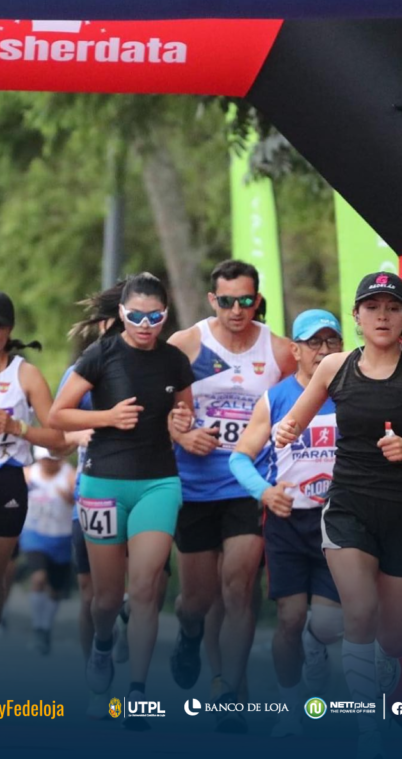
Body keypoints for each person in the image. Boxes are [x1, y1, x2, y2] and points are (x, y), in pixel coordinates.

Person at [274, 273, 402, 759]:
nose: (382, 316)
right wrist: (285, 429)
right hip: (350, 506)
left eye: (392, 307)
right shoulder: (335, 367)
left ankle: (385, 661)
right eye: (373, 307)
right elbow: (298, 417)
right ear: (357, 317)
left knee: (396, 636)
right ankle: (369, 731)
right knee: (360, 612)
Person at [49, 273, 194, 731]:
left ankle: (137, 692)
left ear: (165, 315)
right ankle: (104, 644)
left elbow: (184, 416)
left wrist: (183, 421)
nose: (146, 324)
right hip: (103, 483)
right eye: (137, 316)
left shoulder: (173, 360)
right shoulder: (101, 353)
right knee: (107, 597)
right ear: (121, 315)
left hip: (158, 482)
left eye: (156, 316)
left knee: (148, 586)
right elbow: (58, 415)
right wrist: (108, 416)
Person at [167, 259, 295, 732]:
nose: (236, 310)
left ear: (257, 301)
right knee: (198, 598)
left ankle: (228, 689)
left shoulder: (279, 351)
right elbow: (154, 407)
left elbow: (294, 411)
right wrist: (181, 436)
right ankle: (189, 630)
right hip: (195, 485)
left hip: (248, 483)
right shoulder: (186, 344)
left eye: (245, 301)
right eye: (227, 301)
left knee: (239, 588)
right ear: (211, 301)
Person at [230, 309, 345, 736]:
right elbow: (239, 457)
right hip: (287, 522)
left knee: (328, 626)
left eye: (331, 341)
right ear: (295, 350)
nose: (323, 350)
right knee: (291, 618)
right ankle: (289, 705)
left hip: (338, 523)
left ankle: (317, 646)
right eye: (313, 343)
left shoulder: (353, 394)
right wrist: (263, 490)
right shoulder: (275, 398)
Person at [0, 288, 66, 698]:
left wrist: (17, 428)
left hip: (7, 478)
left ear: (10, 330)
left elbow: (58, 437)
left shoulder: (24, 374)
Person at [22, 447, 76, 655]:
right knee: (38, 578)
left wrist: (70, 499)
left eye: (53, 459)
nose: (49, 463)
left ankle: (46, 628)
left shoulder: (69, 476)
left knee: (55, 590)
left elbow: (80, 501)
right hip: (34, 535)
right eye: (45, 460)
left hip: (61, 539)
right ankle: (37, 627)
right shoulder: (29, 474)